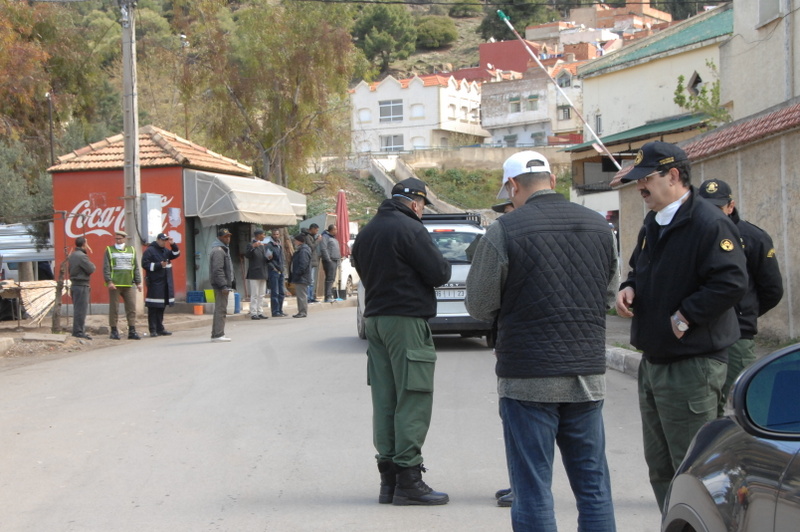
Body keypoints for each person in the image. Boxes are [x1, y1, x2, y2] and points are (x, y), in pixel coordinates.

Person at [465, 151, 618, 530]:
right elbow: (609, 294)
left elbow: (480, 305)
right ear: (552, 180)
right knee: (594, 486)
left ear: (513, 186)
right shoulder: (600, 226)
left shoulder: (505, 230)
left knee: (532, 489)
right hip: (586, 375)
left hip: (528, 378)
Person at [613, 141, 747, 510]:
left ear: (673, 175)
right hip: (655, 359)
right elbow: (640, 268)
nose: (640, 188)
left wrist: (686, 315)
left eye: (647, 179)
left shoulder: (707, 221)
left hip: (691, 362)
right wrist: (629, 287)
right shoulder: (654, 221)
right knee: (660, 466)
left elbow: (731, 281)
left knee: (693, 469)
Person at [351, 177, 452, 506]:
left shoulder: (366, 233)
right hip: (406, 321)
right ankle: (409, 479)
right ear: (416, 203)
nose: (422, 212)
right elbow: (439, 273)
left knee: (385, 399)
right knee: (413, 396)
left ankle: (388, 480)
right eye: (423, 206)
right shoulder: (410, 229)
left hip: (376, 321)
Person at [698, 178, 784, 414]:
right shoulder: (694, 236)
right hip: (704, 336)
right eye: (706, 206)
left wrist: (746, 311)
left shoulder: (754, 237)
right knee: (706, 408)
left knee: (742, 406)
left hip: (738, 336)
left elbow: (772, 289)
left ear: (730, 205)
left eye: (718, 207)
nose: (712, 212)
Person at [103, 230, 142, 340]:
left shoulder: (131, 250)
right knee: (114, 308)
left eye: (120, 238)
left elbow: (135, 267)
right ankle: (114, 330)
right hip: (115, 284)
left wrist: (138, 282)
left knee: (131, 308)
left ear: (125, 239)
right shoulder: (109, 250)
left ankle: (132, 330)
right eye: (117, 238)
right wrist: (109, 281)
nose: (118, 240)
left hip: (128, 284)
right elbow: (106, 267)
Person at [142, 233, 180, 337]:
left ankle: (160, 328)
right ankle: (153, 330)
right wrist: (159, 265)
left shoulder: (165, 250)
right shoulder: (150, 250)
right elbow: (144, 264)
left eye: (165, 240)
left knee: (161, 307)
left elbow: (176, 254)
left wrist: (173, 244)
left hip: (165, 284)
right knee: (153, 307)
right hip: (155, 283)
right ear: (158, 239)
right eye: (163, 240)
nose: (164, 242)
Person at [68, 236, 95, 340]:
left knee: (77, 309)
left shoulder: (73, 255)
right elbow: (91, 268)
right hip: (81, 284)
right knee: (81, 310)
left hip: (75, 284)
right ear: (84, 244)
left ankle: (78, 330)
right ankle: (78, 331)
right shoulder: (82, 256)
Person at [209, 228, 234, 342]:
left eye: (228, 236)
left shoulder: (223, 249)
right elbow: (218, 270)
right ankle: (218, 334)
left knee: (220, 309)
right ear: (219, 238)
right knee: (221, 310)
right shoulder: (219, 250)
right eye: (225, 237)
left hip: (222, 284)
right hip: (220, 285)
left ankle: (216, 333)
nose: (228, 238)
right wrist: (223, 285)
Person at [245, 228, 272, 320]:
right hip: (254, 273)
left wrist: (269, 258)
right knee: (255, 294)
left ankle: (260, 312)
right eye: (263, 234)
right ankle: (253, 313)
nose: (264, 236)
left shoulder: (262, 246)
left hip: (263, 272)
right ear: (258, 235)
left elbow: (264, 259)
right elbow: (247, 255)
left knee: (261, 294)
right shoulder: (251, 245)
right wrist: (253, 246)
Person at [289, 233, 312, 318]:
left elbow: (303, 264)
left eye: (295, 240)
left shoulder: (303, 251)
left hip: (302, 277)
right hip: (301, 277)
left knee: (302, 295)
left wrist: (298, 273)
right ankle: (301, 311)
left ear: (299, 241)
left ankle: (302, 312)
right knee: (300, 295)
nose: (294, 242)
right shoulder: (301, 250)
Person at [267, 228, 287, 317]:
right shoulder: (269, 246)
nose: (276, 236)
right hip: (274, 271)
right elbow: (267, 259)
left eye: (277, 234)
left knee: (282, 292)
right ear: (272, 235)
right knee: (275, 292)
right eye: (274, 234)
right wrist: (273, 268)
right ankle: (275, 312)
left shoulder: (279, 244)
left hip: (281, 271)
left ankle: (280, 310)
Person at [320, 224, 342, 302]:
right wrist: (328, 260)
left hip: (335, 260)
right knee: (329, 278)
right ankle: (327, 296)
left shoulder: (333, 238)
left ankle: (330, 294)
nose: (336, 231)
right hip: (330, 260)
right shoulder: (325, 237)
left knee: (332, 278)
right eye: (335, 229)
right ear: (331, 230)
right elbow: (323, 249)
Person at [301, 223, 321, 303]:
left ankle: (311, 296)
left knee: (312, 280)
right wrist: (317, 241)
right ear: (312, 229)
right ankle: (308, 297)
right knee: (310, 280)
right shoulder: (307, 236)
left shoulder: (311, 236)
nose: (316, 232)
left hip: (312, 261)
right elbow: (311, 247)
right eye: (316, 230)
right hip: (309, 261)